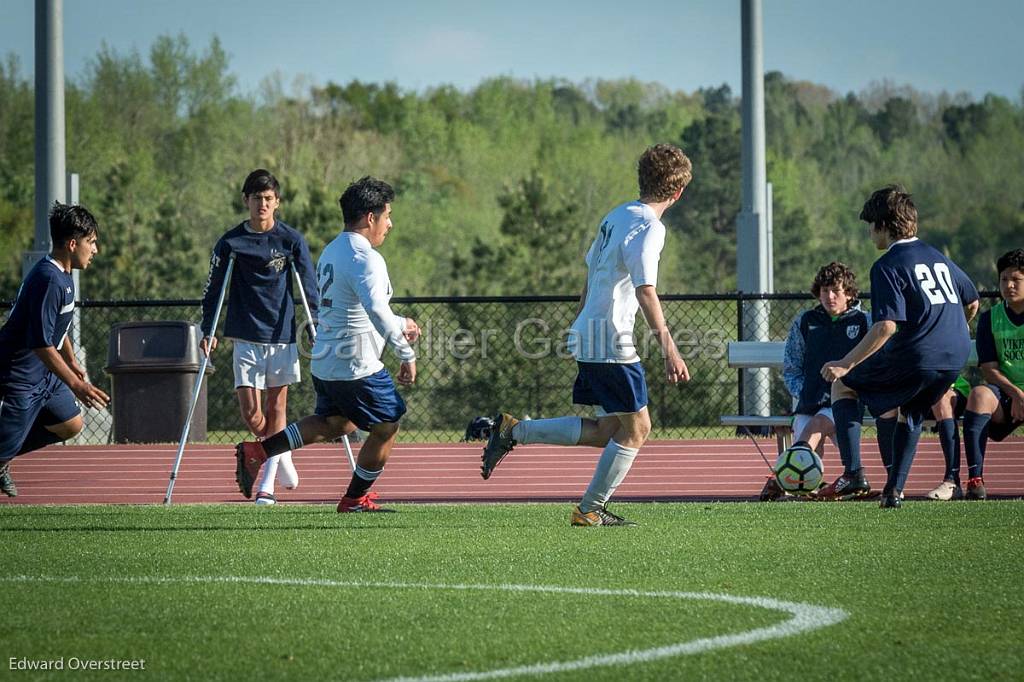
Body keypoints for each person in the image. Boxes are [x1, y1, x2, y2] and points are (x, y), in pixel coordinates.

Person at [465, 143, 692, 526]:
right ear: (677, 192)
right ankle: (590, 509)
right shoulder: (651, 228)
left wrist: (581, 322)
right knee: (639, 428)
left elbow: (590, 275)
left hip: (590, 331)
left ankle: (513, 431)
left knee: (610, 429)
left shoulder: (616, 215)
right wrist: (670, 348)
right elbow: (645, 289)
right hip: (611, 337)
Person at [234, 176, 419, 512]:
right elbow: (375, 311)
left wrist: (401, 323)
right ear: (369, 217)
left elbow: (358, 309)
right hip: (356, 366)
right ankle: (354, 499)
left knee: (337, 423)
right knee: (388, 425)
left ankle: (257, 452)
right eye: (387, 215)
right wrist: (406, 355)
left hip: (326, 360)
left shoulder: (333, 250)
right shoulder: (367, 258)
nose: (390, 224)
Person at [819, 185, 979, 508]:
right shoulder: (938, 257)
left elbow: (886, 326)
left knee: (842, 386)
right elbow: (972, 299)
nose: (869, 233)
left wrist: (846, 363)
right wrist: (950, 331)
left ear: (883, 225)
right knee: (912, 411)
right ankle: (893, 490)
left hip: (919, 355)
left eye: (870, 226)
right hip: (956, 355)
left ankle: (853, 474)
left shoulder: (886, 266)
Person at [200, 169, 319, 506]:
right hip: (245, 335)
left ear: (277, 202)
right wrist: (208, 329)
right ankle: (280, 453)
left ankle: (266, 484)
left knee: (277, 405)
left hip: (281, 334)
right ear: (246, 201)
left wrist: (316, 322)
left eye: (268, 199)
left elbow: (308, 284)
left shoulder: (291, 240)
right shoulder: (231, 242)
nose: (262, 204)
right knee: (252, 415)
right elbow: (213, 291)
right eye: (256, 199)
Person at [0, 203, 110, 496]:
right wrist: (77, 385)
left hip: (45, 375)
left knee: (71, 424)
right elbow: (40, 343)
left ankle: (3, 457)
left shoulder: (64, 275)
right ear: (73, 244)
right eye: (92, 242)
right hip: (20, 377)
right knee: (5, 447)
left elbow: (56, 329)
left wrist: (71, 361)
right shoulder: (49, 280)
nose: (95, 249)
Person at [760, 262, 870, 501]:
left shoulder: (864, 322)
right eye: (824, 291)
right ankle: (812, 487)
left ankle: (782, 478)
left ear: (849, 294)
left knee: (815, 428)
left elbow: (873, 364)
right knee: (812, 439)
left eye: (836, 291)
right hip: (809, 401)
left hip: (847, 401)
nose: (829, 296)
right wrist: (804, 390)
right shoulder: (806, 321)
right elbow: (791, 366)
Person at [959, 248, 1024, 501]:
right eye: (1004, 279)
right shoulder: (990, 318)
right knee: (978, 394)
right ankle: (975, 479)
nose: (1008, 285)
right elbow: (989, 368)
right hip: (1007, 393)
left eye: (1016, 280)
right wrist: (1017, 394)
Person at [925, 376, 972, 500]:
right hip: (915, 389)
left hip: (950, 390)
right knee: (891, 405)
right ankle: (894, 486)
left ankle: (952, 481)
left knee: (941, 398)